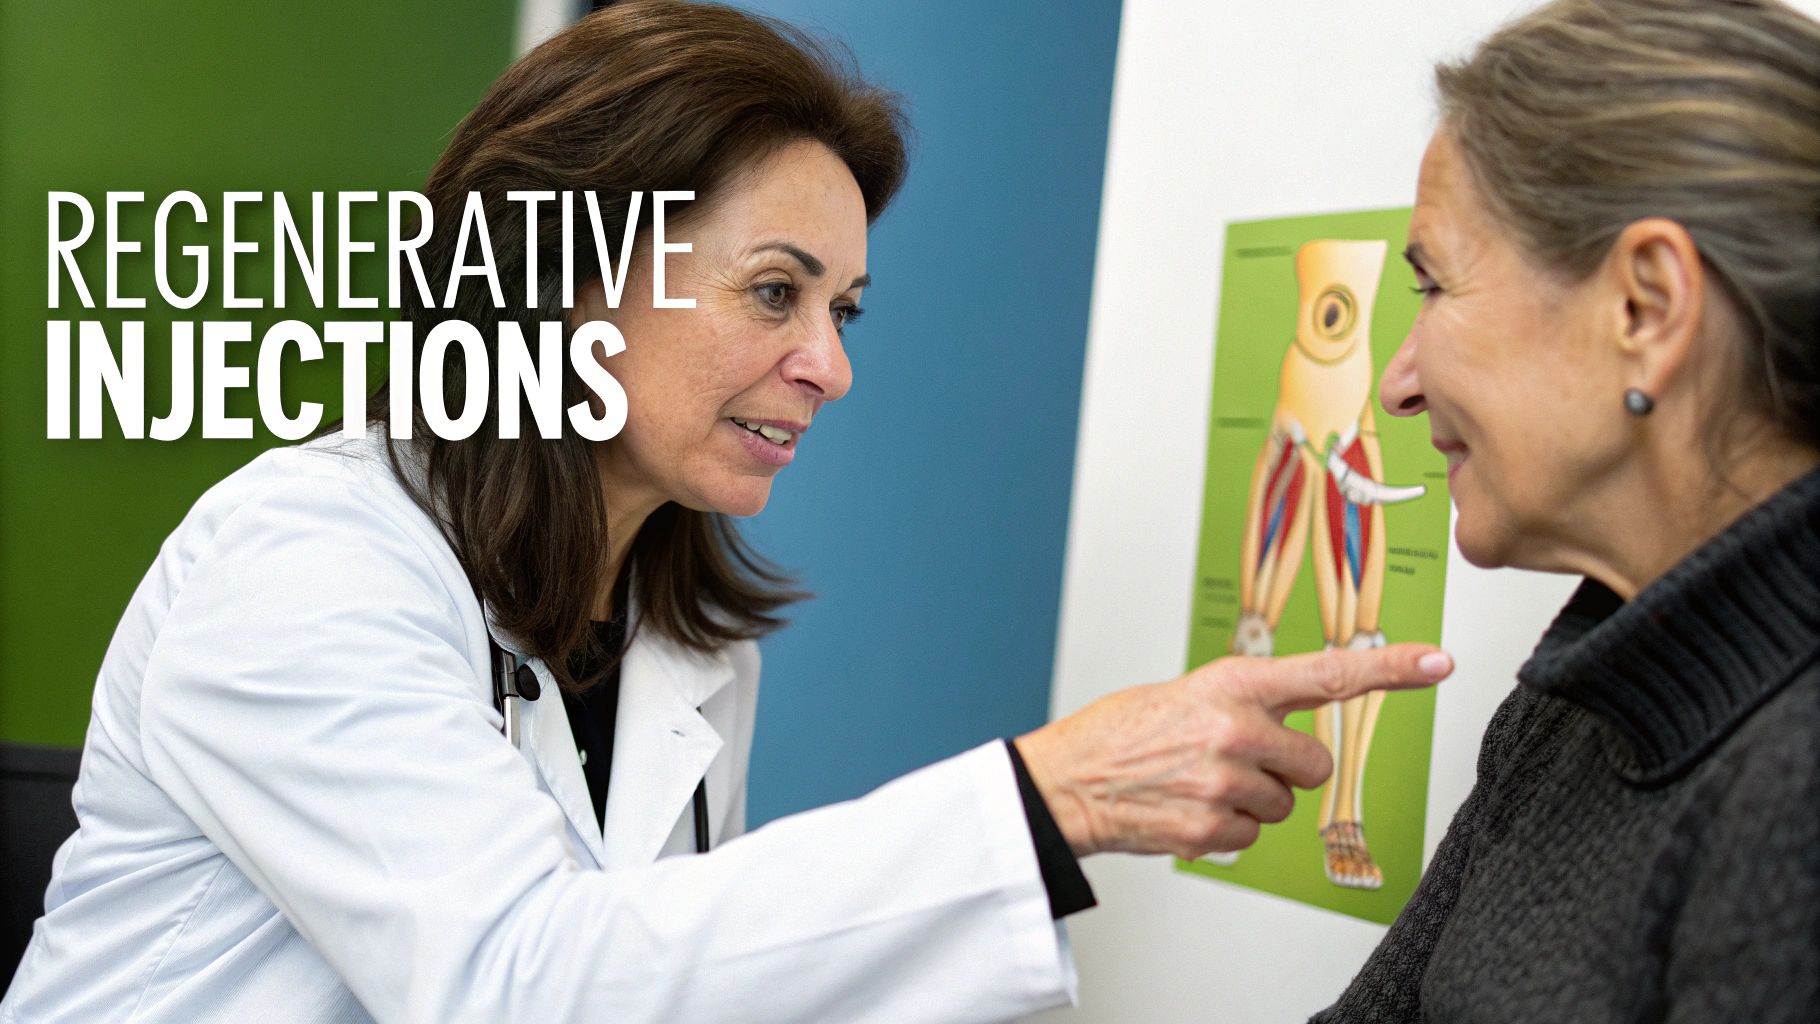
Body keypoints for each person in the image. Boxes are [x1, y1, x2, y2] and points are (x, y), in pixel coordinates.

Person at [1, 3, 1451, 1022]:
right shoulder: (302, 565)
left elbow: (668, 980)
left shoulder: (683, 643)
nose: (829, 363)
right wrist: (1046, 799)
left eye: (843, 307)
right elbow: (521, 987)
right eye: (775, 292)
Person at [1315, 0, 1820, 1020]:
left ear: (1644, 308)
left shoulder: (1795, 788)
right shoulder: (1574, 704)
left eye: (1433, 284)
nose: (1397, 384)